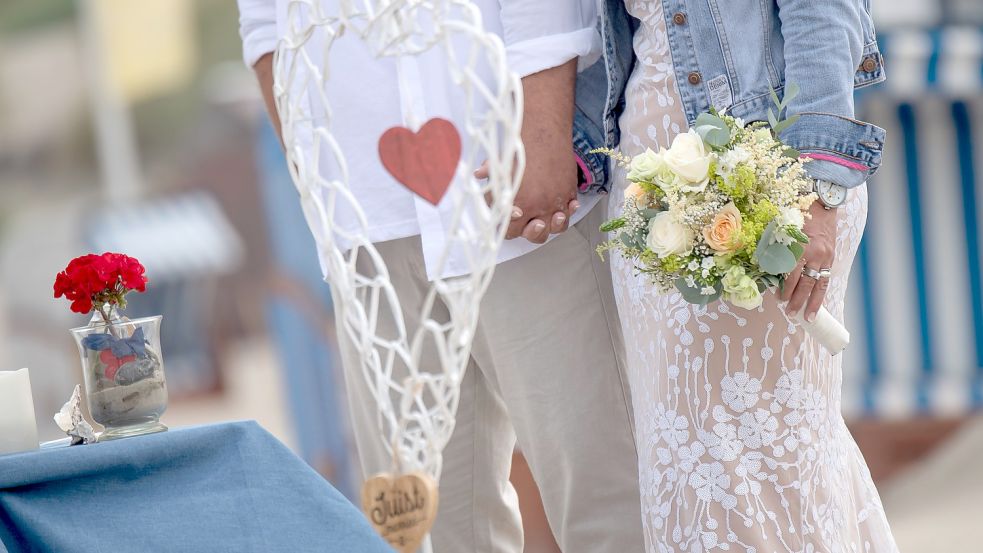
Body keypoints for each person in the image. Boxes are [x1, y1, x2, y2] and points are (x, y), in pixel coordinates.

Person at [236, 1, 645, 552]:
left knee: (604, 499)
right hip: (367, 218)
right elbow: (266, 21)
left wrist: (543, 133)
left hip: (511, 182)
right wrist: (318, 172)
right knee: (425, 526)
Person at [554, 0, 900, 550]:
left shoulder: (797, 187)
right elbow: (621, 42)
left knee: (769, 445)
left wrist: (818, 185)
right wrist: (567, 157)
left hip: (771, 178)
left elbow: (822, 13)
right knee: (686, 447)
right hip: (647, 191)